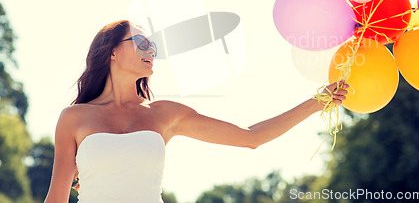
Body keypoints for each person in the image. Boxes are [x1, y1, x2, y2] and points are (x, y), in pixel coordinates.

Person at [44, 20, 348, 203]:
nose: (151, 51)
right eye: (141, 43)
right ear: (112, 50)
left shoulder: (164, 114)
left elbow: (250, 137)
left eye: (153, 47)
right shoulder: (74, 118)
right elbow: (57, 198)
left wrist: (317, 101)